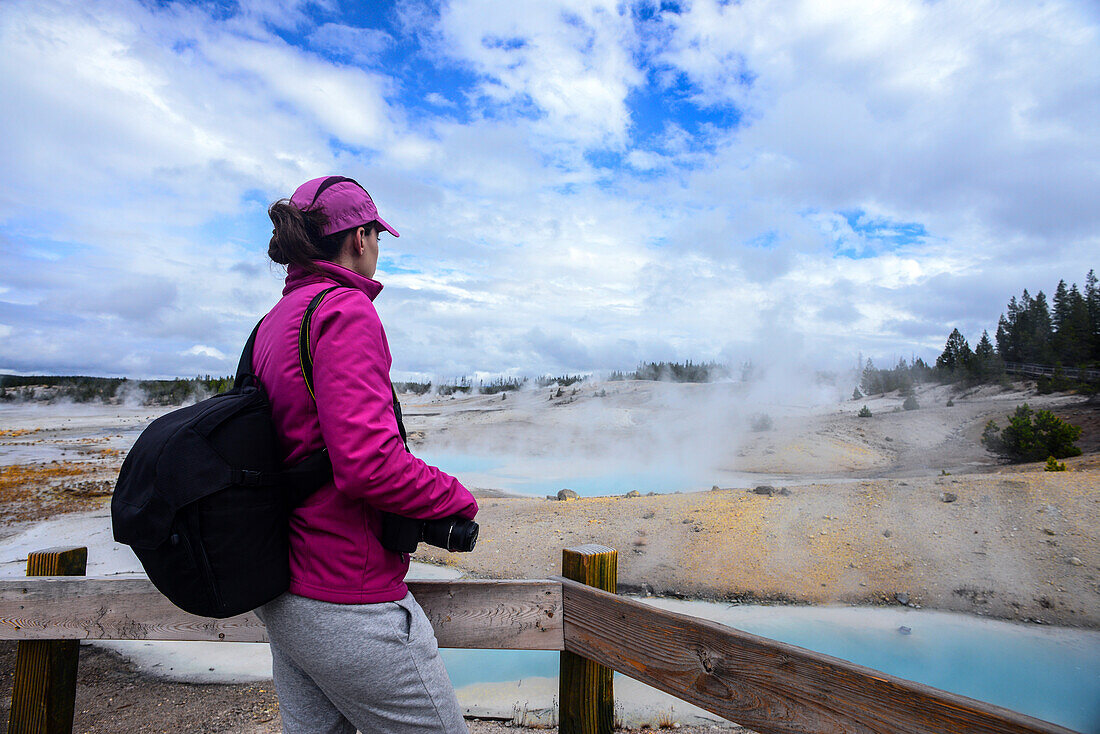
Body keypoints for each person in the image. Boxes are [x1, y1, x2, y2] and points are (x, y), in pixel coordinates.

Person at [252, 175, 478, 734]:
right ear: (359, 237)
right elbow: (367, 464)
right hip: (346, 596)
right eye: (377, 234)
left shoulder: (275, 321)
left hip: (286, 590)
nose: (379, 248)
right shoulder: (344, 311)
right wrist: (456, 497)